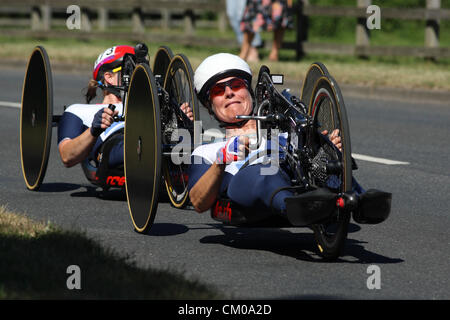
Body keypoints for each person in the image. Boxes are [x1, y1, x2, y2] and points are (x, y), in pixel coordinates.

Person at [188, 53, 350, 214]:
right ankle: (295, 208)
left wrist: (326, 149)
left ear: (250, 92)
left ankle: (359, 201)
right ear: (209, 107)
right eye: (218, 90)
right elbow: (198, 202)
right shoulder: (206, 152)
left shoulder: (287, 134)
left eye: (236, 85)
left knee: (325, 159)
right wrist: (221, 160)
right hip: (250, 182)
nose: (229, 92)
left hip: (297, 175)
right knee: (263, 170)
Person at [57, 45, 193, 183]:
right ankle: (150, 147)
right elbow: (67, 156)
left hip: (158, 136)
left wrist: (181, 119)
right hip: (115, 144)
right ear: (109, 77)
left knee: (194, 140)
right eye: (132, 70)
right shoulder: (78, 110)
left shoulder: (152, 104)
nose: (140, 76)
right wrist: (93, 130)